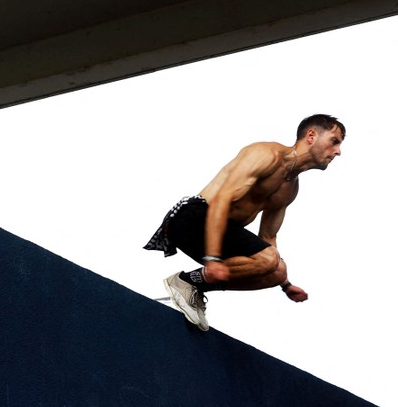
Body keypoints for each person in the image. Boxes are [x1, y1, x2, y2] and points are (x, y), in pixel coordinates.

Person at [144, 114, 346, 330]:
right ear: (312, 136)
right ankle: (185, 282)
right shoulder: (266, 155)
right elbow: (222, 200)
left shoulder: (290, 189)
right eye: (334, 141)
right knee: (269, 259)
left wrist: (284, 284)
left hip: (224, 231)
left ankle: (191, 283)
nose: (338, 151)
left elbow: (268, 237)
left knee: (277, 270)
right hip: (194, 217)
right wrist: (212, 259)